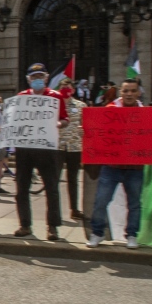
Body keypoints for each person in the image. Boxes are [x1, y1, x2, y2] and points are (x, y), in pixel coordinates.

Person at [87, 80, 152, 248]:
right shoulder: (110, 110)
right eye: (126, 90)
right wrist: (87, 130)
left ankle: (132, 235)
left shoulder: (146, 114)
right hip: (111, 167)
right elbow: (97, 131)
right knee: (101, 201)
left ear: (138, 93)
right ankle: (97, 233)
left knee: (134, 204)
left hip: (135, 168)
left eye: (132, 91)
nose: (129, 94)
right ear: (121, 91)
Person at [11, 63, 69, 241]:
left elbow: (65, 119)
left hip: (47, 148)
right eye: (34, 77)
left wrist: (58, 124)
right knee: (22, 188)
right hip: (25, 148)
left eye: (40, 76)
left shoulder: (55, 97)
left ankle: (52, 227)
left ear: (46, 78)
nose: (37, 80)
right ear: (29, 79)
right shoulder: (21, 97)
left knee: (51, 188)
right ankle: (25, 225)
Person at [58, 79, 86, 218]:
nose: (65, 89)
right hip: (58, 146)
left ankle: (74, 209)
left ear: (73, 90)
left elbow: (86, 125)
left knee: (73, 179)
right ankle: (55, 212)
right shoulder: (54, 104)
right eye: (62, 87)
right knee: (54, 180)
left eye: (67, 87)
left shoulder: (81, 106)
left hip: (75, 146)